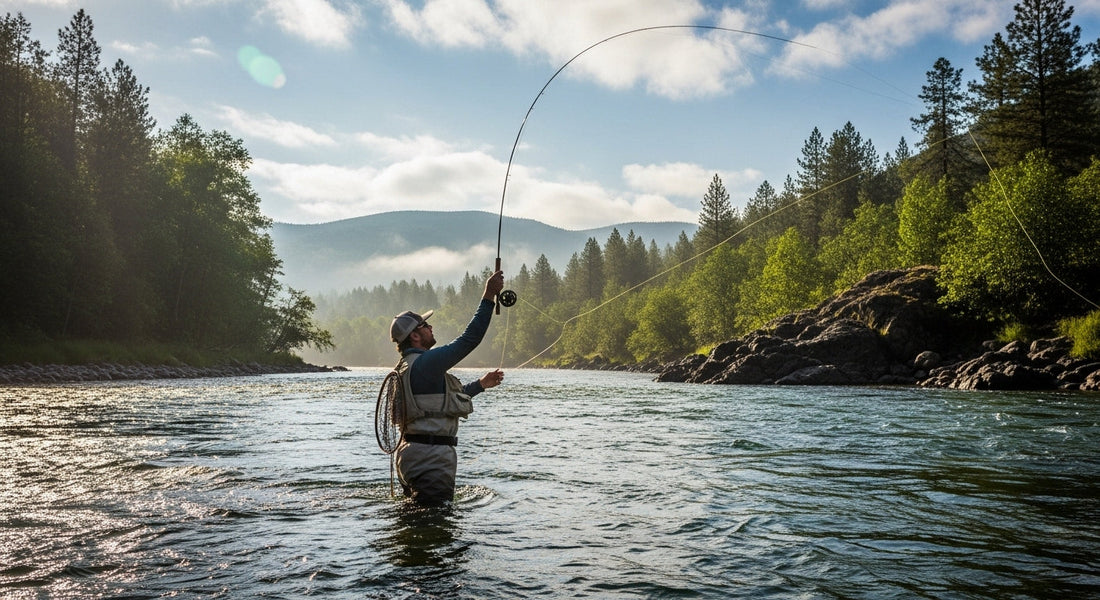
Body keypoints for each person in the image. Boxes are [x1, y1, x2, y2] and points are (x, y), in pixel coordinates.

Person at [389, 269, 506, 506]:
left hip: (408, 455)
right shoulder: (426, 363)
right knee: (434, 525)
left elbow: (436, 404)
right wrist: (488, 295)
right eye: (425, 325)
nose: (430, 327)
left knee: (414, 520)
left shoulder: (403, 368)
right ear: (415, 337)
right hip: (431, 459)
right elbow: (469, 340)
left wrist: (481, 385)